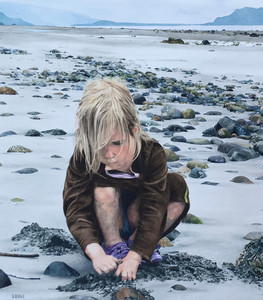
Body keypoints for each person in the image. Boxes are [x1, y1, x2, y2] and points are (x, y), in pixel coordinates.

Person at [63, 77, 190, 281]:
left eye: (116, 143)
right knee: (103, 188)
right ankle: (113, 245)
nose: (109, 153)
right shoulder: (83, 155)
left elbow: (154, 206)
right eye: (99, 145)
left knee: (176, 186)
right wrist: (95, 252)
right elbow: (75, 206)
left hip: (139, 221)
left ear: (134, 131)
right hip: (101, 225)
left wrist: (136, 255)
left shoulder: (151, 154)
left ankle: (135, 244)